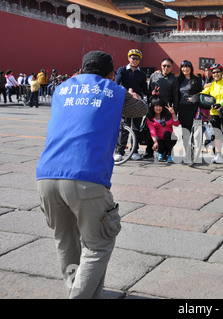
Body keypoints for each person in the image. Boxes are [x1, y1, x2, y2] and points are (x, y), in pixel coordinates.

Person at [36, 50, 148, 299]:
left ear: (82, 69)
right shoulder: (113, 91)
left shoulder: (61, 89)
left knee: (66, 243)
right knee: (98, 245)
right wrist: (132, 94)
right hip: (86, 178)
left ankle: (82, 293)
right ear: (110, 74)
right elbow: (141, 110)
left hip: (45, 177)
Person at [114, 49, 149, 161]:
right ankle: (120, 151)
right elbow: (117, 83)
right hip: (125, 102)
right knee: (124, 127)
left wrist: (152, 92)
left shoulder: (142, 74)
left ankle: (134, 151)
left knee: (136, 128)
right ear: (128, 58)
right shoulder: (122, 70)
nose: (135, 60)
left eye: (137, 58)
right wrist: (127, 92)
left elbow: (144, 89)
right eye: (133, 58)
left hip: (136, 103)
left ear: (140, 60)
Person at [201, 63, 223, 164]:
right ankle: (218, 156)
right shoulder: (211, 85)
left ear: (222, 72)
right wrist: (194, 97)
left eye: (217, 72)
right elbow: (204, 94)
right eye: (213, 72)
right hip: (214, 113)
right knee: (217, 135)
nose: (215, 74)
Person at [176, 60, 203, 160]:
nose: (185, 69)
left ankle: (195, 149)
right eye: (183, 67)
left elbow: (201, 92)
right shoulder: (178, 80)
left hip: (194, 108)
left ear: (191, 68)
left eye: (187, 67)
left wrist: (195, 98)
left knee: (195, 131)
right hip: (183, 108)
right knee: (185, 131)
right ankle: (188, 152)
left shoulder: (196, 79)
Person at [146, 96, 179, 163]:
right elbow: (152, 131)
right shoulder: (150, 118)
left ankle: (169, 154)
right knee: (156, 139)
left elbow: (176, 124)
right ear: (153, 107)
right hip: (159, 140)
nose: (158, 108)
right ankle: (161, 153)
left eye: (160, 106)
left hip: (169, 138)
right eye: (156, 106)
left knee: (167, 134)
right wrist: (155, 142)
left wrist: (173, 113)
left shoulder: (168, 115)